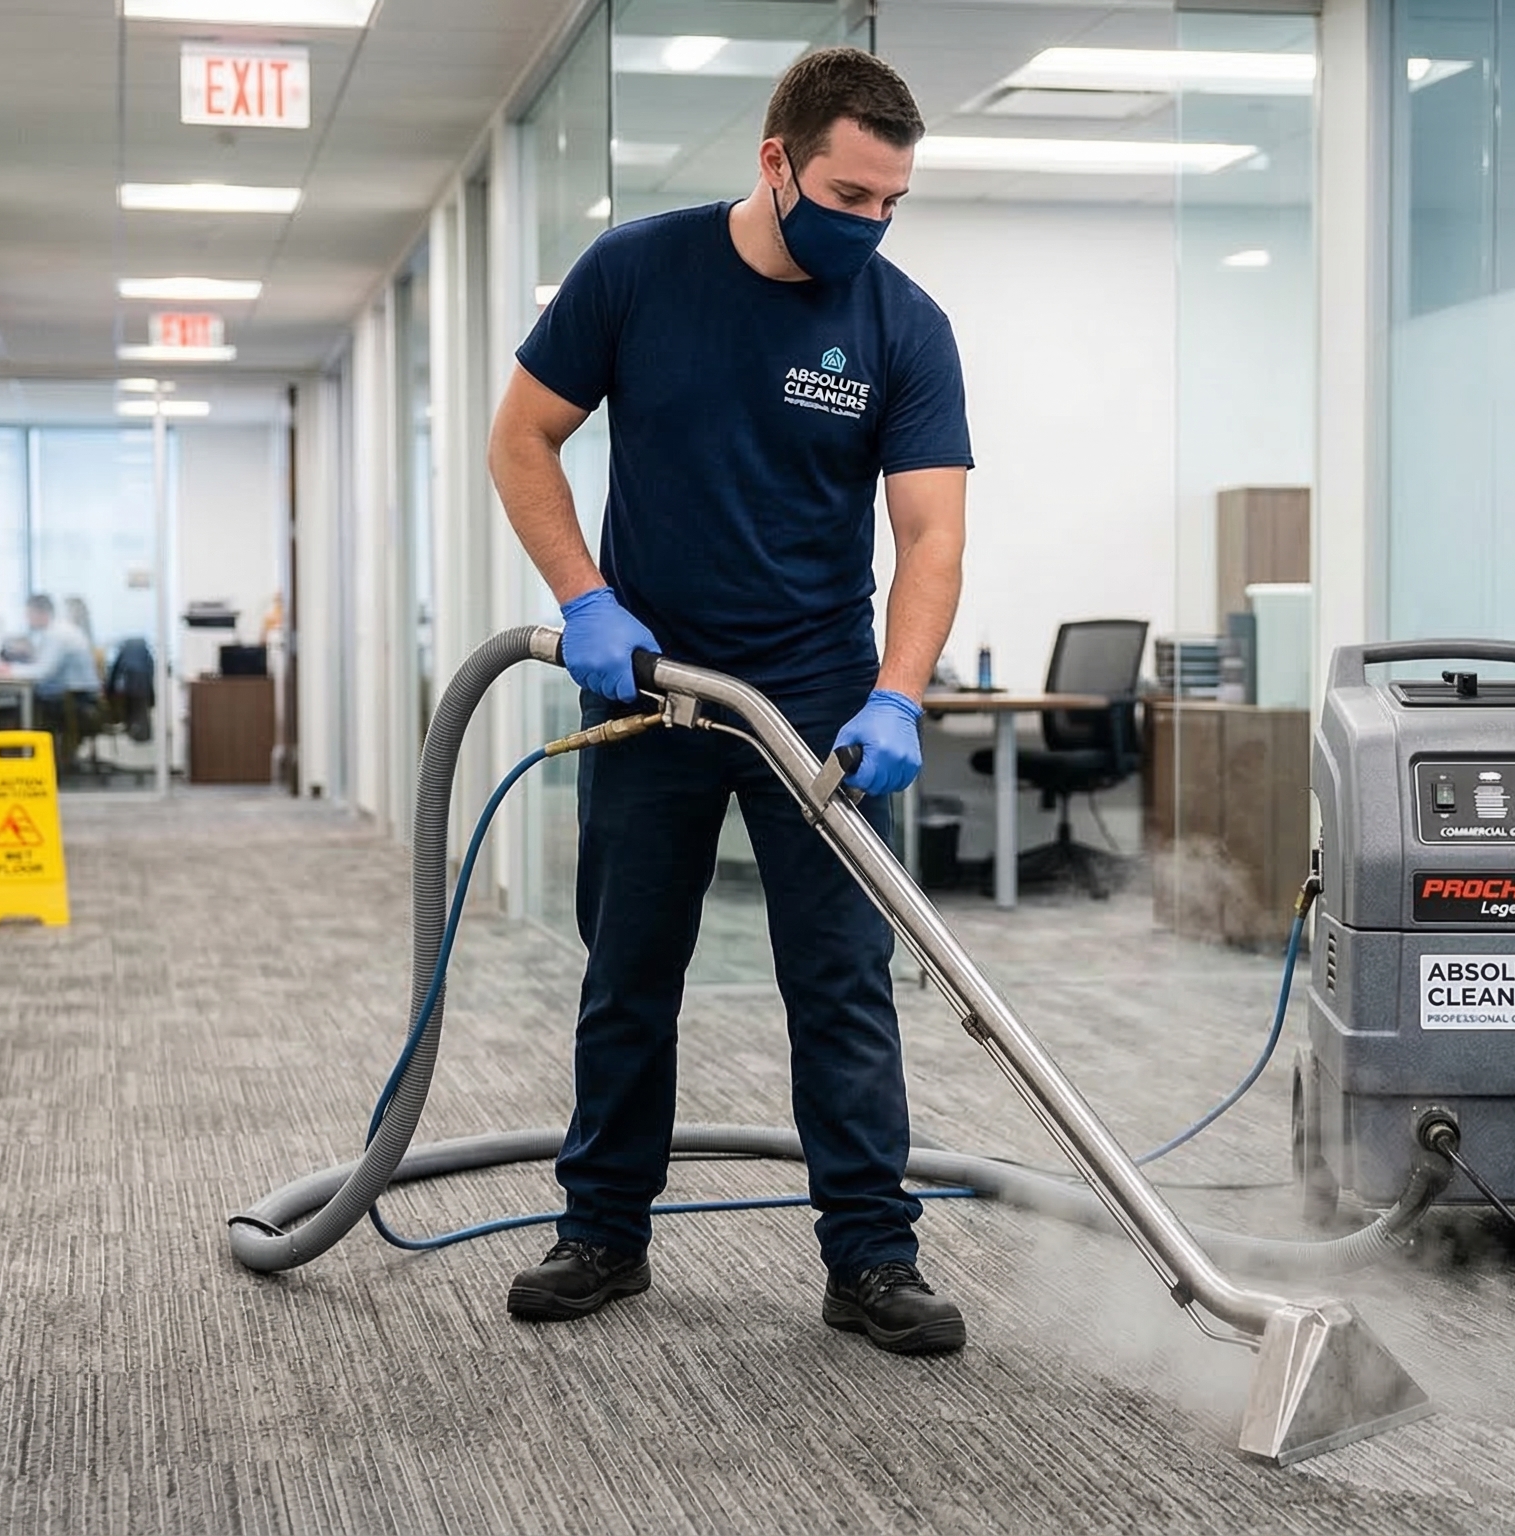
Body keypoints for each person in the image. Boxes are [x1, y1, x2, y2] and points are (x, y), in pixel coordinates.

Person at [487, 47, 972, 1355]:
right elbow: (520, 437)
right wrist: (586, 598)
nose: (870, 224)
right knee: (631, 965)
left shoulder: (901, 324)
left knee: (842, 975)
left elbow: (929, 535)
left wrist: (899, 695)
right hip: (655, 684)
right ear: (776, 162)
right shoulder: (637, 272)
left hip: (815, 697)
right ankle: (602, 1230)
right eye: (851, 195)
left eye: (892, 203)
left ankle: (870, 1255)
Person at [11, 593, 102, 701]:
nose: (27, 619)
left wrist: (9, 670)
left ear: (41, 613)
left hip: (74, 699)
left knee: (18, 700)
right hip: (77, 694)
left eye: (29, 614)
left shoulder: (57, 634)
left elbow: (42, 672)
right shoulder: (59, 629)